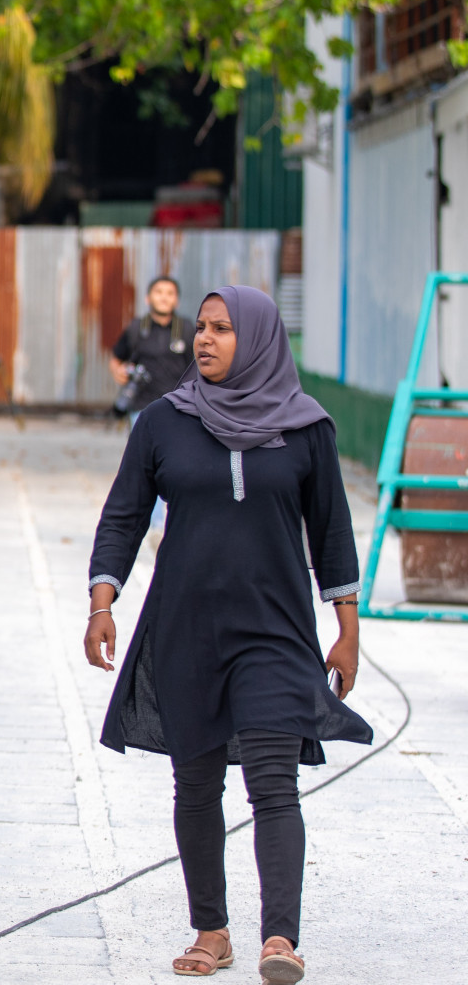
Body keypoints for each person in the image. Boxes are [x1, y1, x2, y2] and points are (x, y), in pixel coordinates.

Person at [83, 286, 372, 984]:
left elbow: (332, 534)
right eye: (202, 328)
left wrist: (347, 631)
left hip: (274, 632)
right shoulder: (164, 422)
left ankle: (281, 939)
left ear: (260, 337)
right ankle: (212, 931)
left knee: (274, 783)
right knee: (196, 784)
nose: (204, 339)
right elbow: (124, 515)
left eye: (222, 329)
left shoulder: (307, 429)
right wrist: (102, 601)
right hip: (187, 629)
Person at [111, 276, 191, 536]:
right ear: (148, 298)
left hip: (181, 410)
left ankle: (174, 522)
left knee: (178, 466)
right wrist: (120, 373)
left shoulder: (188, 330)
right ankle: (154, 525)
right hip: (142, 409)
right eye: (159, 292)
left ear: (176, 299)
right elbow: (116, 358)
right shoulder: (136, 329)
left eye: (170, 293)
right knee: (146, 468)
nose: (164, 297)